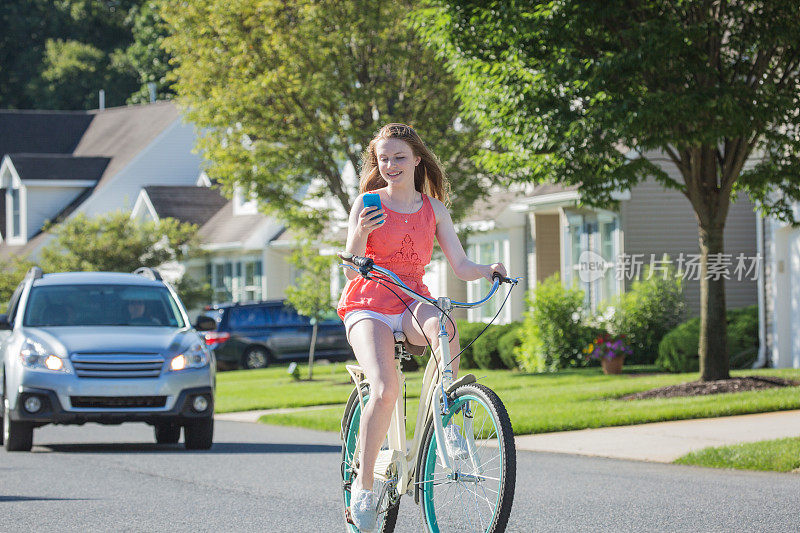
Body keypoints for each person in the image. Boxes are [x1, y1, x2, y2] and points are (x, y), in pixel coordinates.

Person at [337, 123, 506, 531]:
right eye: (384, 159)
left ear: (416, 159)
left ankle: (446, 423)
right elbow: (349, 267)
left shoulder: (434, 209)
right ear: (377, 164)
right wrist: (361, 233)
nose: (391, 165)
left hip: (412, 298)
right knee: (384, 388)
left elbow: (461, 266)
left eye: (399, 157)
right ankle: (363, 486)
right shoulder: (368, 202)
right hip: (369, 302)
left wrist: (487, 271)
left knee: (445, 328)